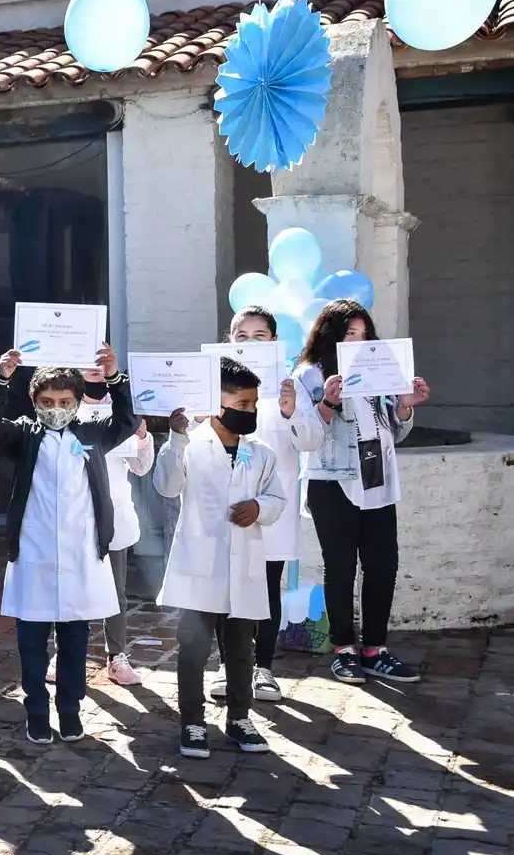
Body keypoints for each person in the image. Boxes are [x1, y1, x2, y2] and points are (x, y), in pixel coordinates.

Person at [0, 343, 135, 745]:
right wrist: (1, 379)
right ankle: (35, 709)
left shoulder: (93, 433)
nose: (56, 408)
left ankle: (70, 710)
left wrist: (115, 377)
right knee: (31, 637)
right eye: (47, 401)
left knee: (75, 638)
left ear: (78, 401)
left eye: (64, 401)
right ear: (34, 401)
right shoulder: (25, 434)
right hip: (34, 551)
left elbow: (126, 420)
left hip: (81, 552)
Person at [155, 357, 288, 759]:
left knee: (241, 649)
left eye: (252, 405)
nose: (249, 411)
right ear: (217, 403)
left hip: (244, 565)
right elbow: (166, 485)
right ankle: (193, 722)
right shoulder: (191, 444)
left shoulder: (260, 452)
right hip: (199, 564)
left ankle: (239, 717)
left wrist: (259, 508)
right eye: (242, 404)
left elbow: (278, 498)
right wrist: (176, 438)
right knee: (193, 648)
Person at [294, 299, 430, 685]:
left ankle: (375, 649)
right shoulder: (310, 374)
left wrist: (404, 407)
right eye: (348, 332)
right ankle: (343, 650)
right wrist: (328, 402)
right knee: (340, 567)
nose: (357, 339)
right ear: (330, 334)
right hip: (333, 481)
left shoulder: (380, 370)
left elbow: (395, 432)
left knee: (383, 565)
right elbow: (305, 436)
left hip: (379, 479)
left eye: (363, 332)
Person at [208, 306, 323, 703]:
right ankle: (226, 667)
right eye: (242, 336)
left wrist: (291, 410)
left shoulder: (289, 386)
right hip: (225, 502)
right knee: (228, 586)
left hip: (272, 502)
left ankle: (264, 669)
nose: (250, 343)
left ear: (274, 342)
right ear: (229, 339)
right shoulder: (213, 383)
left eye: (260, 336)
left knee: (267, 585)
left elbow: (311, 441)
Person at [73, 367, 155, 687]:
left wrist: (143, 438)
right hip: (74, 514)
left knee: (115, 591)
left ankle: (116, 656)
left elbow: (141, 466)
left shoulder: (122, 409)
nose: (92, 370)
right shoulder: (66, 405)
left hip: (115, 512)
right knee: (72, 585)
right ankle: (70, 653)